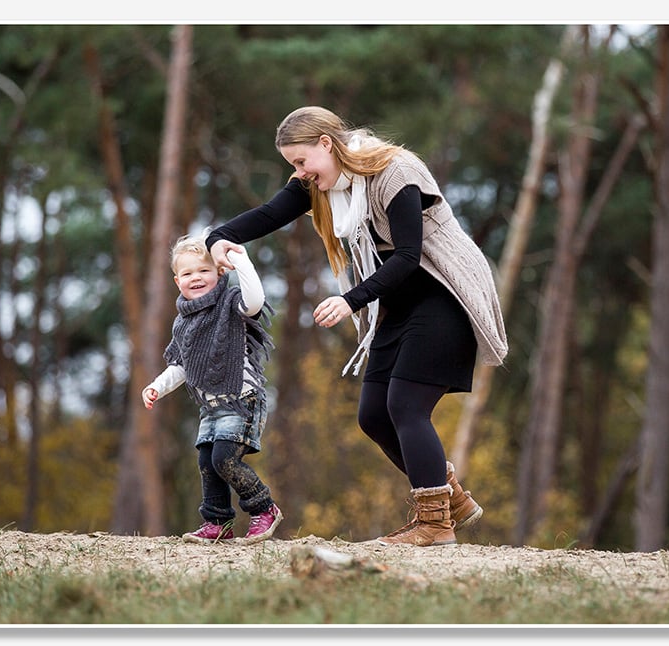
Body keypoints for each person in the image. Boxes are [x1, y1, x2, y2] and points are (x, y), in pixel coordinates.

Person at [206, 106, 507, 547]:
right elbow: (270, 214)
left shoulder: (395, 172)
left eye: (301, 161)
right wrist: (217, 237)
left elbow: (407, 255)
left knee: (405, 406)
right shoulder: (323, 185)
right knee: (372, 414)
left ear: (326, 144)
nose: (300, 173)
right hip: (397, 304)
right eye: (293, 165)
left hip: (443, 295)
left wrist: (350, 300)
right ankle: (449, 499)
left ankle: (435, 524)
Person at [142, 232, 282, 545]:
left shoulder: (231, 304)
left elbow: (256, 301)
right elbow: (180, 365)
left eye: (204, 270)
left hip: (242, 400)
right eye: (188, 273)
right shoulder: (183, 322)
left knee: (224, 459)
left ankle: (264, 508)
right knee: (207, 463)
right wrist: (156, 387)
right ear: (177, 280)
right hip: (211, 407)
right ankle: (218, 521)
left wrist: (239, 259)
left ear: (219, 272)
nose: (196, 278)